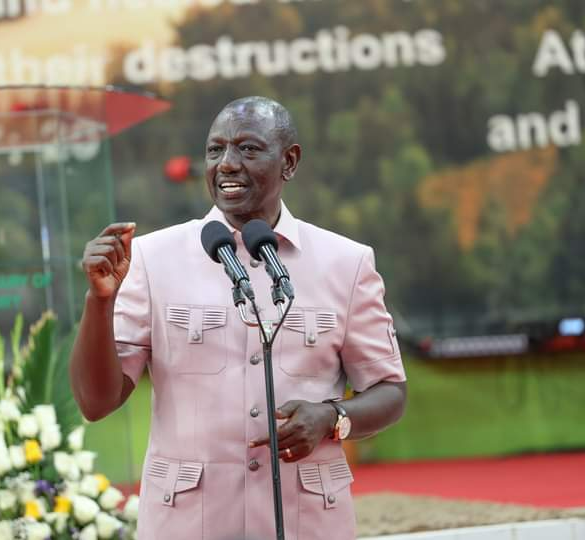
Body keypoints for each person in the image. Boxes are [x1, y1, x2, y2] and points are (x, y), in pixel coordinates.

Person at [70, 96, 407, 540]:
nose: (227, 164)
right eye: (215, 150)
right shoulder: (152, 259)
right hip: (189, 525)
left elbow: (389, 392)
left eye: (248, 149)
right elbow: (96, 403)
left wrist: (332, 417)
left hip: (306, 523)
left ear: (289, 162)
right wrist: (99, 302)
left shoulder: (346, 262)